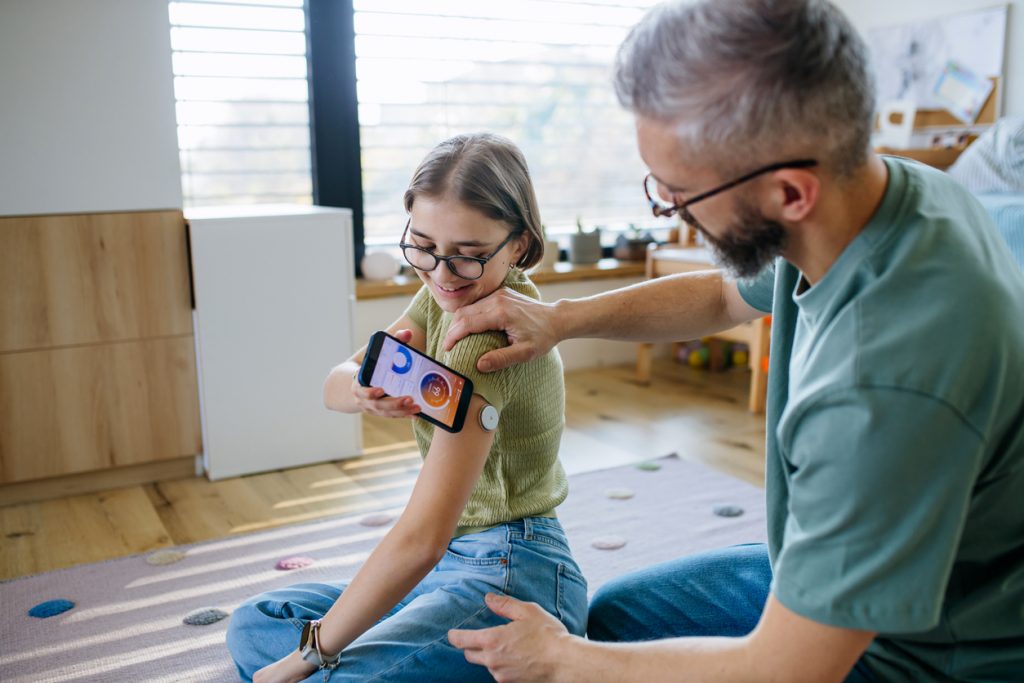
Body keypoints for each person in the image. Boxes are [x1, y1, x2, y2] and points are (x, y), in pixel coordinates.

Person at [444, 1, 1024, 681]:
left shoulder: (883, 382)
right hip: (876, 563)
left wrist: (564, 659)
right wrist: (562, 319)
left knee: (588, 662)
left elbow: (787, 668)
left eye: (678, 192)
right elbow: (723, 293)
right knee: (618, 619)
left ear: (791, 192)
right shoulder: (883, 193)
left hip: (929, 651)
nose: (672, 211)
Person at [225, 133, 588, 682]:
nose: (441, 274)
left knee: (310, 662)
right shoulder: (444, 293)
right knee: (258, 623)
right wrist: (362, 391)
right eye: (422, 246)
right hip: (449, 569)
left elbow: (421, 539)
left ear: (518, 244)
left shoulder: (487, 342)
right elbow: (334, 382)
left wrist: (304, 660)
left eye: (468, 257)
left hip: (513, 575)